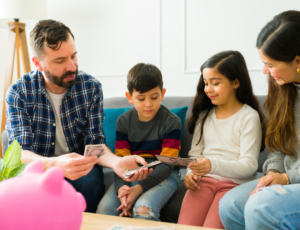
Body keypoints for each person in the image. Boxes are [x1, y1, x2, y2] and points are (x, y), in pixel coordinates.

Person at [5, 20, 151, 213]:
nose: (72, 66)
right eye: (60, 61)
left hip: (81, 166)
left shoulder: (91, 87)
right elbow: (20, 155)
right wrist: (56, 163)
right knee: (31, 189)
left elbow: (94, 144)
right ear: (38, 63)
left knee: (91, 183)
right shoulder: (19, 92)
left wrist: (116, 162)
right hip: (40, 167)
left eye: (73, 56)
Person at [219, 10, 300, 230]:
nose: (264, 70)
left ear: (298, 60)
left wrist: (288, 177)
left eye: (271, 64)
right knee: (230, 204)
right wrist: (274, 172)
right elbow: (278, 146)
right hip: (289, 178)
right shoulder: (284, 89)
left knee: (260, 206)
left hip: (294, 179)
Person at [177, 51, 266, 229]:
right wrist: (190, 175)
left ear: (235, 82)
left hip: (234, 184)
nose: (209, 89)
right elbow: (195, 156)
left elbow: (249, 165)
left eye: (215, 83)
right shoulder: (203, 116)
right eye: (206, 83)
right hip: (203, 182)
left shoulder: (249, 116)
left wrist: (212, 165)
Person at [97, 63, 182, 220]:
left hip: (166, 173)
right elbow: (121, 162)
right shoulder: (123, 121)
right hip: (131, 173)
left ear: (162, 94)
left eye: (154, 97)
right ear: (130, 97)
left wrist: (138, 190)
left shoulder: (172, 122)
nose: (148, 104)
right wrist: (122, 188)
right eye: (141, 99)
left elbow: (168, 163)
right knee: (105, 210)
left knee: (143, 210)